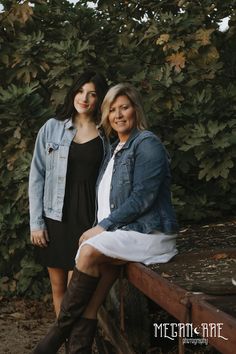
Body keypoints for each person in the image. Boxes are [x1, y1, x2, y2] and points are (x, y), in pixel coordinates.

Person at [32, 83, 179, 354]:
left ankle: (55, 336)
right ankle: (79, 348)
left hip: (149, 233)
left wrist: (102, 228)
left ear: (136, 109)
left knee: (87, 252)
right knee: (95, 287)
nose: (119, 114)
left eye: (124, 107)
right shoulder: (114, 149)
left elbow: (142, 198)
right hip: (126, 232)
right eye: (112, 109)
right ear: (106, 114)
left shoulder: (147, 144)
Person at [29, 70, 108, 317]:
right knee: (58, 289)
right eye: (80, 91)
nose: (84, 98)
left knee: (78, 293)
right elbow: (37, 176)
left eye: (92, 94)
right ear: (73, 92)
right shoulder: (51, 128)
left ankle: (74, 343)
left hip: (88, 219)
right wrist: (36, 224)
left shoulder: (107, 133)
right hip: (55, 217)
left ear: (99, 99)